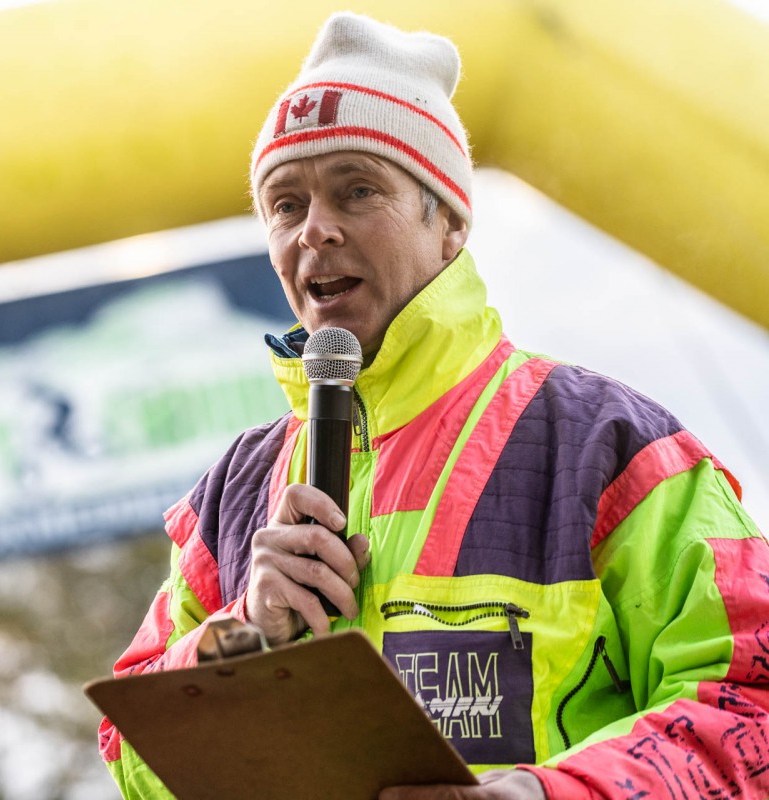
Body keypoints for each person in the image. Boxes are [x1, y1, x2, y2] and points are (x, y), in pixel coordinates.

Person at [98, 12, 769, 799]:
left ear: (449, 222)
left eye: (356, 190)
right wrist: (242, 637)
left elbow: (749, 707)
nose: (315, 230)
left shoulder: (610, 447)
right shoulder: (233, 493)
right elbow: (131, 759)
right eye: (285, 204)